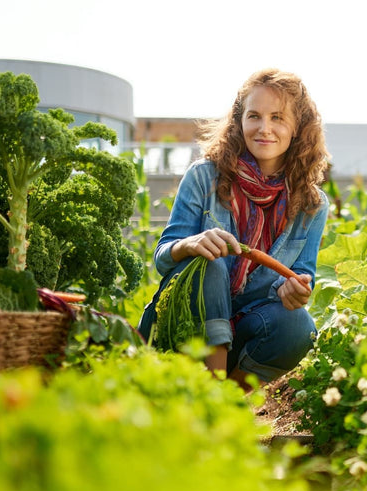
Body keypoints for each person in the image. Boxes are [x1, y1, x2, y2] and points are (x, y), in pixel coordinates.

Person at [137, 68, 330, 387]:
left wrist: (292, 291)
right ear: (240, 122)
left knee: (299, 326)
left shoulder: (312, 204)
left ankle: (229, 397)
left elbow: (301, 274)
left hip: (246, 326)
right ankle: (211, 396)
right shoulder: (203, 177)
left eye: (278, 118)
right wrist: (191, 244)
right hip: (184, 324)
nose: (264, 128)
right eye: (254, 116)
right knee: (212, 266)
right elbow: (162, 258)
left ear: (297, 127)